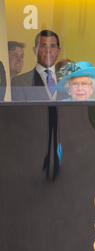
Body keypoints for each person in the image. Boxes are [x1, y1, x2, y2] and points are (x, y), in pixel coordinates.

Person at [11, 30, 66, 180]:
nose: (48, 51)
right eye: (43, 46)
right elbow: (19, 121)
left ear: (59, 51)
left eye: (53, 46)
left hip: (65, 147)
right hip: (32, 151)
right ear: (35, 50)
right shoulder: (20, 83)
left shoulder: (69, 82)